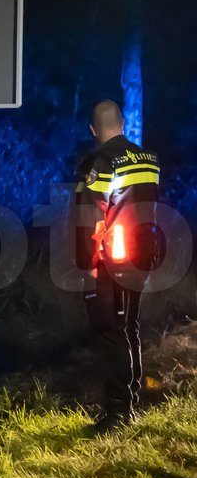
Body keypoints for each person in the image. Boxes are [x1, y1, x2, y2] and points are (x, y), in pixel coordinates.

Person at [73, 100, 161, 432]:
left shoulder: (103, 162)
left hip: (111, 260)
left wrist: (89, 263)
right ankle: (131, 402)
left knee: (110, 332)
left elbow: (91, 215)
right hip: (143, 256)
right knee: (130, 328)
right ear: (122, 122)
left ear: (93, 130)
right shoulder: (149, 159)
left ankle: (118, 412)